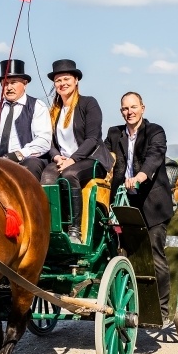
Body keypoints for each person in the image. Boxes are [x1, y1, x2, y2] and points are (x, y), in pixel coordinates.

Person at [104, 92, 174, 323]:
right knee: (115, 249)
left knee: (154, 253)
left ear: (143, 108)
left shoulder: (155, 131)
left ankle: (162, 308)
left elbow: (154, 156)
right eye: (125, 108)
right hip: (122, 203)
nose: (129, 112)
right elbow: (104, 158)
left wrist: (140, 176)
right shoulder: (114, 133)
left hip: (151, 202)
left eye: (133, 107)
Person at [40, 59, 113, 244]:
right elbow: (48, 140)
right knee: (47, 177)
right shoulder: (53, 111)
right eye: (58, 80)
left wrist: (72, 160)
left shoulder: (89, 104)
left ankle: (74, 230)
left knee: (70, 175)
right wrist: (56, 156)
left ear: (76, 80)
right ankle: (52, 229)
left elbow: (92, 138)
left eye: (67, 79)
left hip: (91, 159)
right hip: (62, 160)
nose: (62, 83)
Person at [0, 59, 52, 178]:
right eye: (5, 83)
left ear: (25, 84)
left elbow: (43, 141)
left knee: (31, 165)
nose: (9, 87)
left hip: (26, 160)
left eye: (13, 82)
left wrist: (19, 154)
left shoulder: (37, 106)